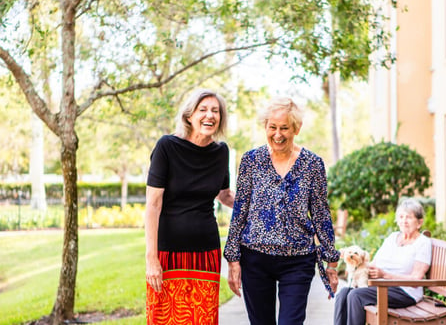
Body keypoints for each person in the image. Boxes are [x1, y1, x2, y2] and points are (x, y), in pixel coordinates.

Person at [224, 97, 340, 325]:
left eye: (284, 128)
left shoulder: (312, 164)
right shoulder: (251, 161)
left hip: (297, 260)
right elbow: (240, 212)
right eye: (272, 127)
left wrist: (331, 263)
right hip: (255, 258)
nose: (278, 134)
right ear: (265, 127)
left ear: (296, 128)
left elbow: (320, 214)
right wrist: (233, 259)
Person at [144, 88, 234, 325]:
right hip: (167, 252)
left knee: (202, 319)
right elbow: (153, 205)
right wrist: (151, 258)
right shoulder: (167, 147)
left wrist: (258, 205)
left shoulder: (221, 152)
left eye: (215, 111)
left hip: (206, 253)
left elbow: (224, 195)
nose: (210, 115)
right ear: (189, 116)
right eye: (202, 110)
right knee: (164, 319)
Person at [334, 198, 432, 325]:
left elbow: (416, 278)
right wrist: (353, 260)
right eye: (401, 217)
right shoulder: (392, 238)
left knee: (356, 295)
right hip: (382, 286)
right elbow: (374, 264)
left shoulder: (423, 242)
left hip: (405, 291)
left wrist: (384, 275)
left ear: (419, 222)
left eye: (408, 217)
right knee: (343, 293)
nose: (404, 221)